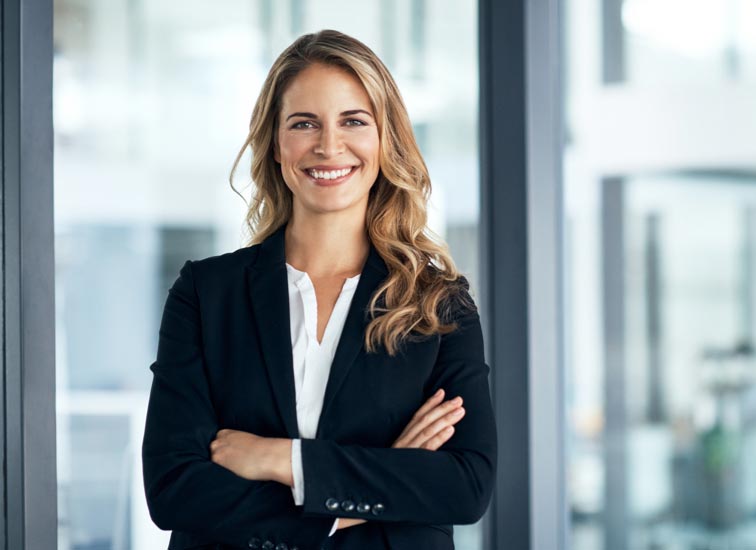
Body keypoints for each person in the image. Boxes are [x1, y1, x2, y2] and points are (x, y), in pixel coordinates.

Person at [141, 29, 497, 550]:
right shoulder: (206, 293)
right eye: (304, 123)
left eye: (353, 121)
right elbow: (174, 489)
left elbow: (465, 487)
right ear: (276, 143)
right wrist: (369, 490)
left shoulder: (437, 305)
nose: (329, 145)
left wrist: (280, 459)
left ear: (384, 140)